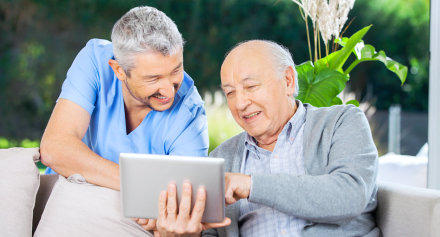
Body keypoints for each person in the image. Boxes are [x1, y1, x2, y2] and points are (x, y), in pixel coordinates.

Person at [157, 40, 380, 237]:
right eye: (230, 92)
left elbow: (350, 194)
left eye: (251, 86)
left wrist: (250, 184)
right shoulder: (221, 158)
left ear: (288, 81)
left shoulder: (340, 123)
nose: (240, 103)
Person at [39, 6, 210, 233]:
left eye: (176, 70)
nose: (169, 91)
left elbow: (185, 210)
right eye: (154, 78)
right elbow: (54, 148)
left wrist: (167, 219)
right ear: (118, 70)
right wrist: (143, 188)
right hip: (64, 207)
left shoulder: (189, 113)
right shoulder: (95, 61)